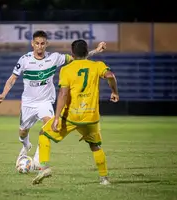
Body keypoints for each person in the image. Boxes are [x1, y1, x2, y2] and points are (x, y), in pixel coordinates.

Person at [0, 30, 106, 168]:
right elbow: (12, 79)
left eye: (42, 43)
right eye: (37, 43)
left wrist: (96, 50)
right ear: (32, 44)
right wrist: (3, 93)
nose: (40, 46)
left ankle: (38, 161)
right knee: (23, 132)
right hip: (28, 103)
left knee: (47, 128)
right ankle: (26, 145)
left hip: (46, 101)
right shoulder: (24, 60)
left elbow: (79, 58)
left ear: (46, 44)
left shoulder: (54, 58)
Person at [32, 39, 119, 185]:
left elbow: (63, 94)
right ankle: (104, 179)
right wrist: (114, 92)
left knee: (43, 134)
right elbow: (110, 76)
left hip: (71, 116)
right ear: (86, 52)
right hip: (91, 116)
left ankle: (44, 167)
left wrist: (57, 117)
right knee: (95, 146)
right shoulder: (97, 65)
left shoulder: (67, 69)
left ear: (72, 53)